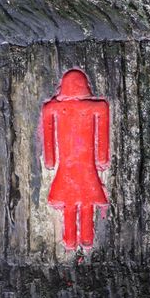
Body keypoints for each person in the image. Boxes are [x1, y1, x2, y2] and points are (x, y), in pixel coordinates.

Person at [42, 69, 109, 249]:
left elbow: (48, 136)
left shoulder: (53, 108)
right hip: (86, 166)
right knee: (86, 202)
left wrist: (50, 160)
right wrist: (102, 158)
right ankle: (85, 238)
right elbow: (102, 132)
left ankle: (71, 239)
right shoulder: (96, 107)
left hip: (68, 166)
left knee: (70, 203)